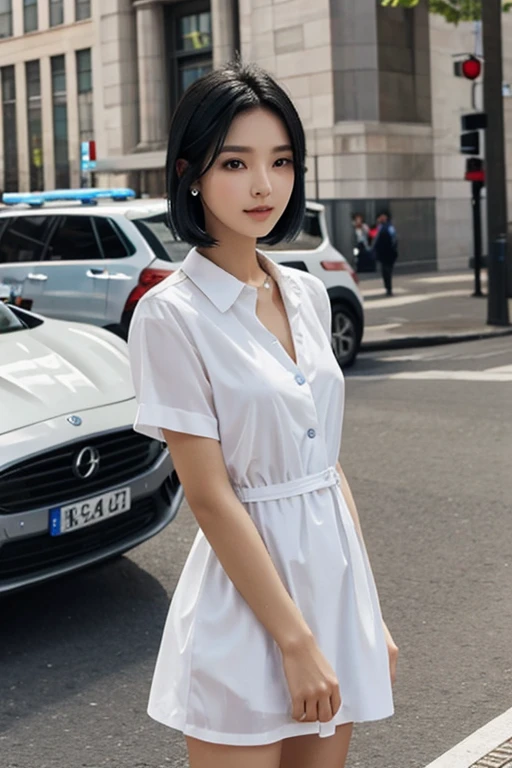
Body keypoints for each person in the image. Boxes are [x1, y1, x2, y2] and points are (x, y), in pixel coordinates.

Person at [127, 61, 398, 768]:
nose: (262, 186)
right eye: (235, 162)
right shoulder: (170, 315)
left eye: (281, 162)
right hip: (246, 611)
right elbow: (211, 497)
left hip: (331, 595)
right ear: (190, 172)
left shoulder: (306, 293)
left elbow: (325, 466)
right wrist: (294, 639)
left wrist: (363, 609)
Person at [372, 210, 398, 296]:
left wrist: (393, 250)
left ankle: (389, 289)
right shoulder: (380, 227)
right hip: (382, 253)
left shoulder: (389, 227)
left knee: (387, 271)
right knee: (384, 272)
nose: (381, 218)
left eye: (382, 216)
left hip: (388, 253)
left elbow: (394, 240)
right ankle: (387, 288)